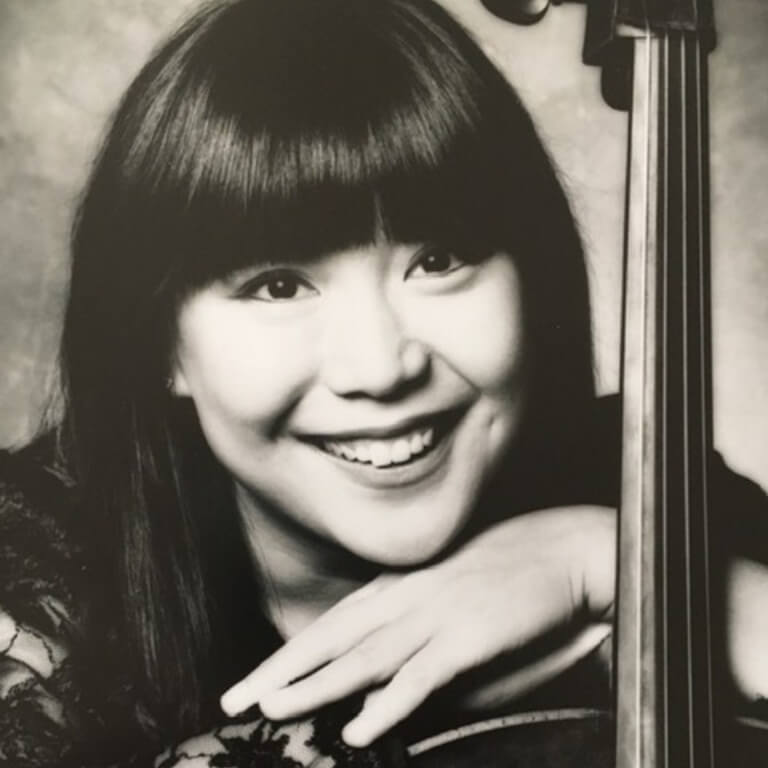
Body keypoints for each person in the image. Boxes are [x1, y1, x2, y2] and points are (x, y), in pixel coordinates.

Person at [1, 0, 766, 766]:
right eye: (278, 285)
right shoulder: (33, 563)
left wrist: (613, 564)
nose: (380, 367)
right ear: (159, 342)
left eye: (438, 261)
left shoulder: (649, 484)